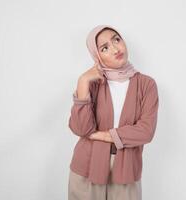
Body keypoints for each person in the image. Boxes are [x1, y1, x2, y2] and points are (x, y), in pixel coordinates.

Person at [67, 24, 159, 200]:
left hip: (126, 170)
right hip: (87, 166)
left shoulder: (146, 85)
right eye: (105, 48)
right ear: (97, 56)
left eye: (117, 39)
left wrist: (100, 135)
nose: (115, 48)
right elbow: (81, 129)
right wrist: (83, 81)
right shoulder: (92, 83)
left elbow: (145, 132)